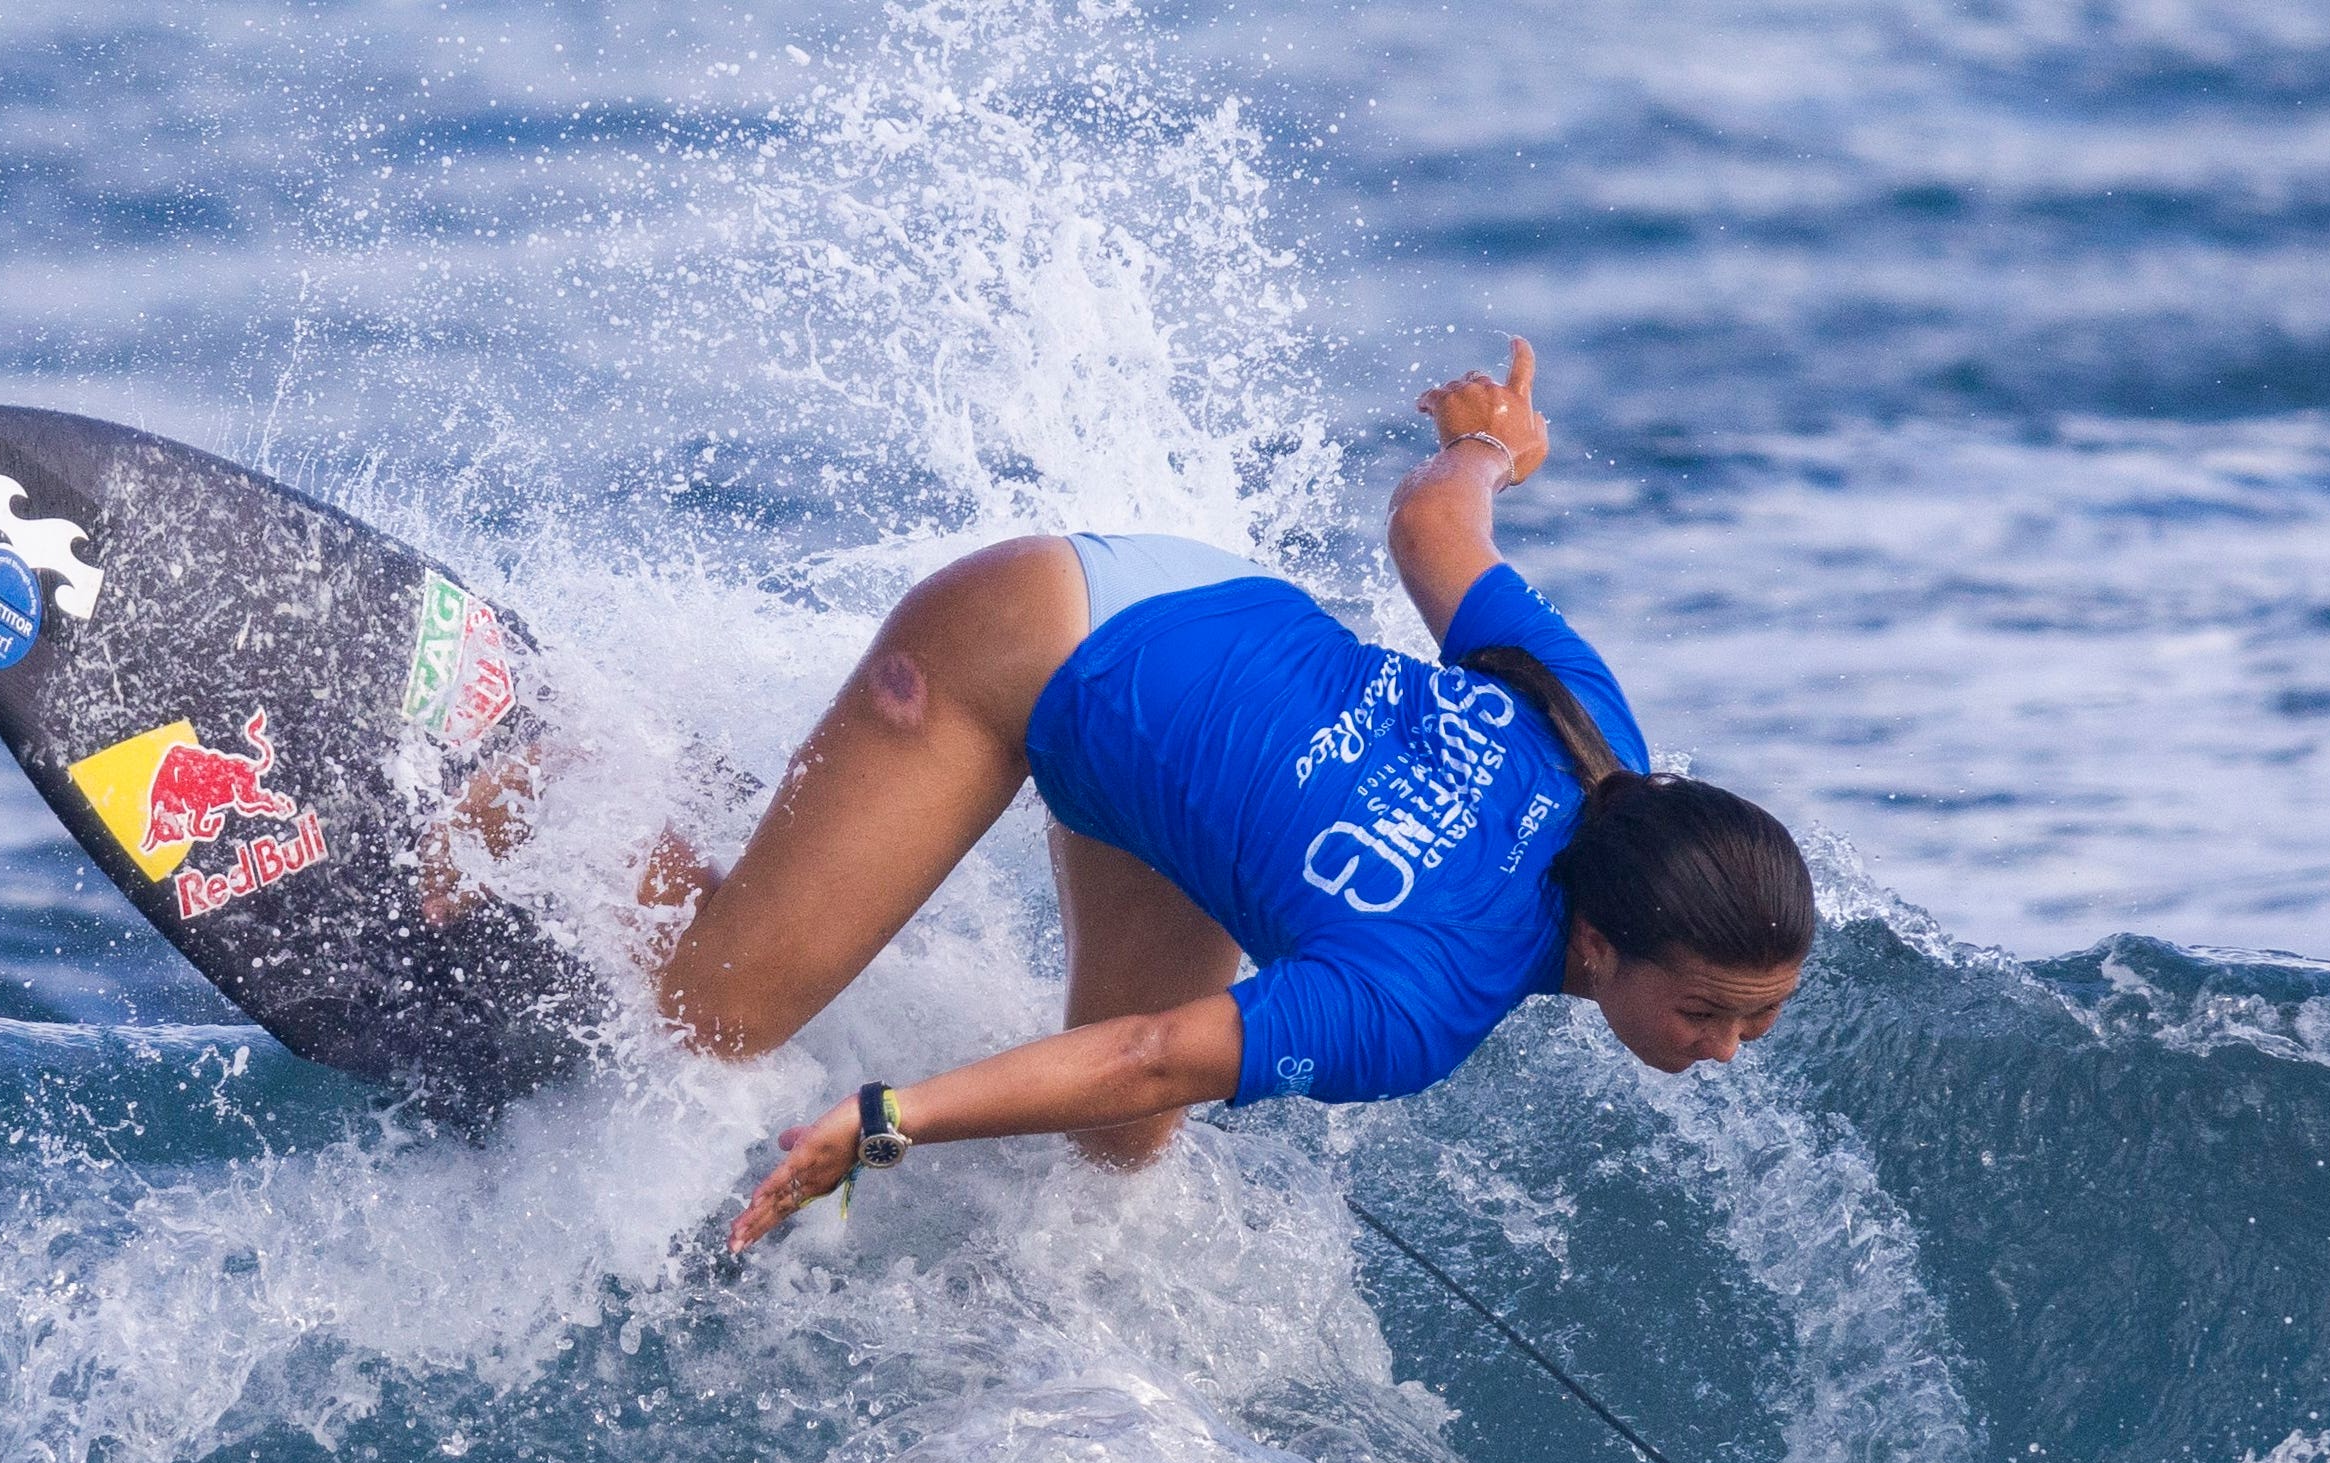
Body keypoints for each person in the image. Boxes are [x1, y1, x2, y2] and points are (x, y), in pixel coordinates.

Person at [681, 339, 1819, 1254]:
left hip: (1193, 625)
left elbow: (1431, 520)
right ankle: (544, 736)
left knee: (1121, 1147)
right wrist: (889, 1120)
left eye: (1756, 1015)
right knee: (713, 1020)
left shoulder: (1596, 734)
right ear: (1602, 942)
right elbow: (1151, 1047)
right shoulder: (1423, 997)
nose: (1726, 1047)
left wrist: (1486, 447)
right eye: (1707, 1011)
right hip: (1021, 652)